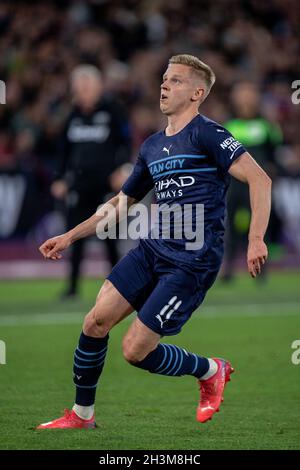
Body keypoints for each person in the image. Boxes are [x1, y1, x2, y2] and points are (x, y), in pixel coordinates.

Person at [37, 54, 271, 429]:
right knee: (95, 321)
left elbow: (261, 180)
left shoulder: (209, 134)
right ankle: (82, 415)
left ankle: (211, 370)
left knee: (135, 351)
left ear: (197, 93)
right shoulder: (150, 146)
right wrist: (69, 235)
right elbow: (119, 203)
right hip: (151, 249)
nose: (164, 85)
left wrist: (256, 239)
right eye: (164, 78)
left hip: (191, 261)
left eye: (176, 81)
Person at [51, 64, 131, 299]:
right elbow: (63, 151)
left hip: (107, 184)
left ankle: (118, 286)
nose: (83, 91)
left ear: (98, 87)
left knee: (110, 237)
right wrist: (60, 179)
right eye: (79, 87)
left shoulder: (113, 110)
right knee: (75, 235)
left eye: (87, 86)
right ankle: (73, 286)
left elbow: (125, 142)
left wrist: (122, 169)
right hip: (79, 184)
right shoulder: (72, 115)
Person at [222, 81, 282, 281]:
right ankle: (228, 269)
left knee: (260, 225)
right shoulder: (228, 126)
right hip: (234, 186)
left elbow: (274, 155)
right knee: (229, 226)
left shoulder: (266, 126)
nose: (246, 98)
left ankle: (262, 268)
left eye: (249, 93)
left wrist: (273, 171)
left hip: (258, 186)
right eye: (242, 94)